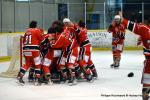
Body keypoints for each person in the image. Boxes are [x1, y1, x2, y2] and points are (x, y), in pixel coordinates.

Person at [120, 14, 150, 100]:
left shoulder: (145, 29)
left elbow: (135, 27)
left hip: (149, 62)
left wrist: (123, 20)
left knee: (147, 84)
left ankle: (145, 96)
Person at [17, 21, 43, 85]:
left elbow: (23, 41)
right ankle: (37, 79)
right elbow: (41, 39)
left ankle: (20, 77)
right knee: (37, 64)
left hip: (26, 50)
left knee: (27, 64)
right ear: (35, 25)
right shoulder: (37, 30)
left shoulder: (26, 31)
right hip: (34, 50)